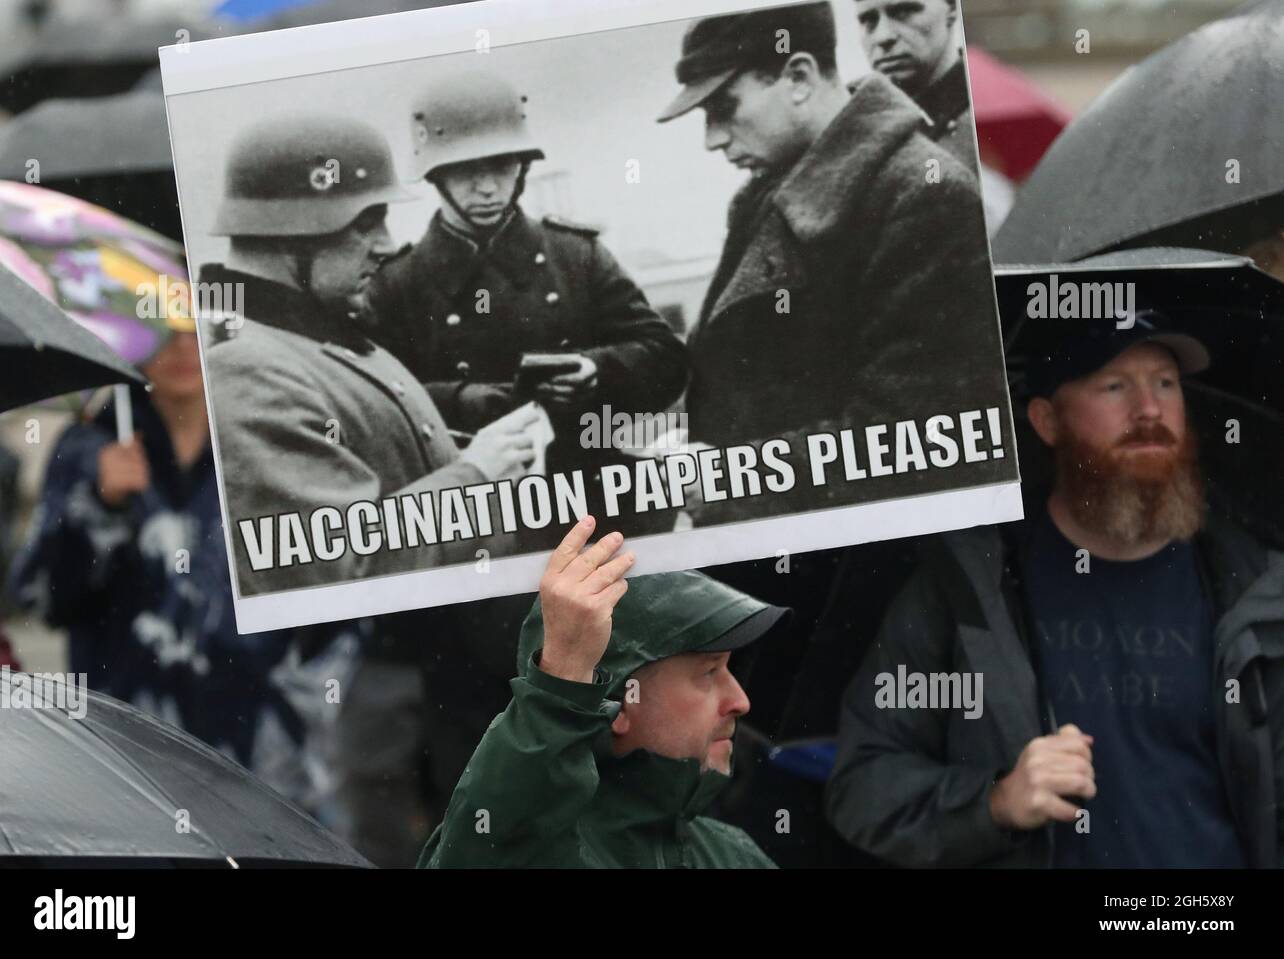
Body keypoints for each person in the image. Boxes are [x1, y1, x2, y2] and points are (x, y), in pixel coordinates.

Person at [826, 315, 1284, 867]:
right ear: (1046, 420)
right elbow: (863, 783)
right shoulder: (968, 598)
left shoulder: (1256, 593)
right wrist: (994, 801)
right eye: (1114, 386)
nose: (1149, 410)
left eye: (1165, 382)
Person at [656, 2, 1004, 526]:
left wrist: (727, 474)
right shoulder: (764, 195)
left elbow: (919, 439)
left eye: (725, 107)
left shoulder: (925, 196)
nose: (713, 139)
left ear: (798, 77)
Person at [8, 325, 354, 806]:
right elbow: (41, 598)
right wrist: (102, 507)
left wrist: (304, 711)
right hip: (123, 753)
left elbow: (337, 602)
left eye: (198, 331)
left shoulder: (280, 445)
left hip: (256, 758)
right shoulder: (90, 445)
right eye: (161, 330)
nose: (183, 348)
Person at [200, 113, 542, 596]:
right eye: (366, 221)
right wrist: (476, 474)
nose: (385, 244)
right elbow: (338, 565)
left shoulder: (314, 332)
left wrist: (474, 453)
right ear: (290, 233)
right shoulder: (242, 366)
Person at [366, 70, 687, 543]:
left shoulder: (575, 256)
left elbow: (665, 358)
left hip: (596, 506)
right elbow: (373, 404)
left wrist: (595, 370)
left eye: (502, 166)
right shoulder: (399, 283)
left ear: (523, 167)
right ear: (435, 175)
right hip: (474, 519)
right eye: (466, 171)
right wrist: (459, 400)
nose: (488, 188)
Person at [418, 516, 791, 868]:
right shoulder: (541, 850)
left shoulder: (730, 853)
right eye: (709, 673)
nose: (740, 701)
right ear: (619, 705)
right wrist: (563, 675)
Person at [853, 0, 977, 171]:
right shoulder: (852, 116)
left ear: (952, 8)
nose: (883, 36)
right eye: (868, 20)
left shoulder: (981, 119)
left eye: (903, 12)